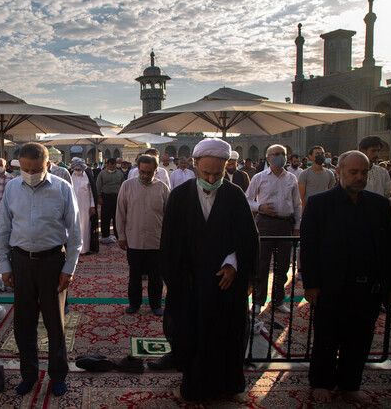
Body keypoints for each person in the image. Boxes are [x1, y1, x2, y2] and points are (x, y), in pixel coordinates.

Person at [160, 138, 259, 402]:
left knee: (228, 335)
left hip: (226, 285)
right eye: (206, 173)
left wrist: (234, 264)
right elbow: (170, 244)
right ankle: (193, 388)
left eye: (218, 174)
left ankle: (230, 386)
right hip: (191, 285)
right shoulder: (180, 197)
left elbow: (247, 239)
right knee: (194, 336)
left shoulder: (235, 195)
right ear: (195, 166)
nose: (212, 179)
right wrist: (181, 278)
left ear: (226, 167)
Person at [300, 150, 391, 405]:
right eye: (353, 172)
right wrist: (310, 284)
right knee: (327, 336)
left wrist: (390, 286)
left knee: (360, 338)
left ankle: (350, 383)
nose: (359, 177)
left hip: (367, 289)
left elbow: (388, 248)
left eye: (364, 172)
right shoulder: (320, 204)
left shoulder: (379, 205)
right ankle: (321, 382)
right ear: (339, 171)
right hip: (332, 287)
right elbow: (309, 246)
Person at [0, 142, 82, 397]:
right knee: (24, 324)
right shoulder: (12, 188)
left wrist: (69, 269)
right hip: (21, 262)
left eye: (35, 169)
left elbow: (76, 234)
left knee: (55, 324)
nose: (30, 174)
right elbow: (2, 228)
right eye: (25, 168)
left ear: (47, 165)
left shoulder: (62, 189)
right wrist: (5, 265)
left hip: (52, 262)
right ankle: (28, 374)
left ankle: (57, 376)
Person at [246, 144, 301, 314]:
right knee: (262, 264)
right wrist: (260, 207)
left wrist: (297, 227)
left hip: (285, 225)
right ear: (269, 158)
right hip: (265, 223)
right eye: (276, 154)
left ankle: (277, 300)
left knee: (283, 265)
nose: (281, 157)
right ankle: (258, 300)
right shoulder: (259, 177)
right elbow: (247, 199)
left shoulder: (291, 178)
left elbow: (297, 204)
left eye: (283, 154)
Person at [116, 154, 169, 315]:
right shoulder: (127, 186)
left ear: (156, 170)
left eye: (149, 172)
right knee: (135, 275)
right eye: (142, 172)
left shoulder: (163, 188)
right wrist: (121, 236)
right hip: (134, 240)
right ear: (138, 169)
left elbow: (169, 216)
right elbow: (120, 213)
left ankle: (155, 305)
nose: (145, 176)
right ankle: (134, 303)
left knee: (156, 277)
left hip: (156, 241)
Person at [70, 157, 98, 255]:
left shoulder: (87, 176)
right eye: (76, 169)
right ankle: (74, 249)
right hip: (72, 206)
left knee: (85, 227)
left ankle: (85, 249)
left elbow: (91, 193)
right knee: (74, 227)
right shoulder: (71, 176)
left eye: (79, 170)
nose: (77, 171)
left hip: (85, 206)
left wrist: (92, 206)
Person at [96, 158, 123, 243]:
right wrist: (99, 197)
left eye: (113, 166)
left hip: (117, 197)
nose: (112, 167)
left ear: (116, 165)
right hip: (106, 197)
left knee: (117, 217)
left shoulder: (120, 173)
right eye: (110, 166)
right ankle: (105, 235)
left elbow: (123, 185)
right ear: (107, 165)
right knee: (105, 218)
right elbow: (98, 186)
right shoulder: (102, 174)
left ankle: (118, 235)